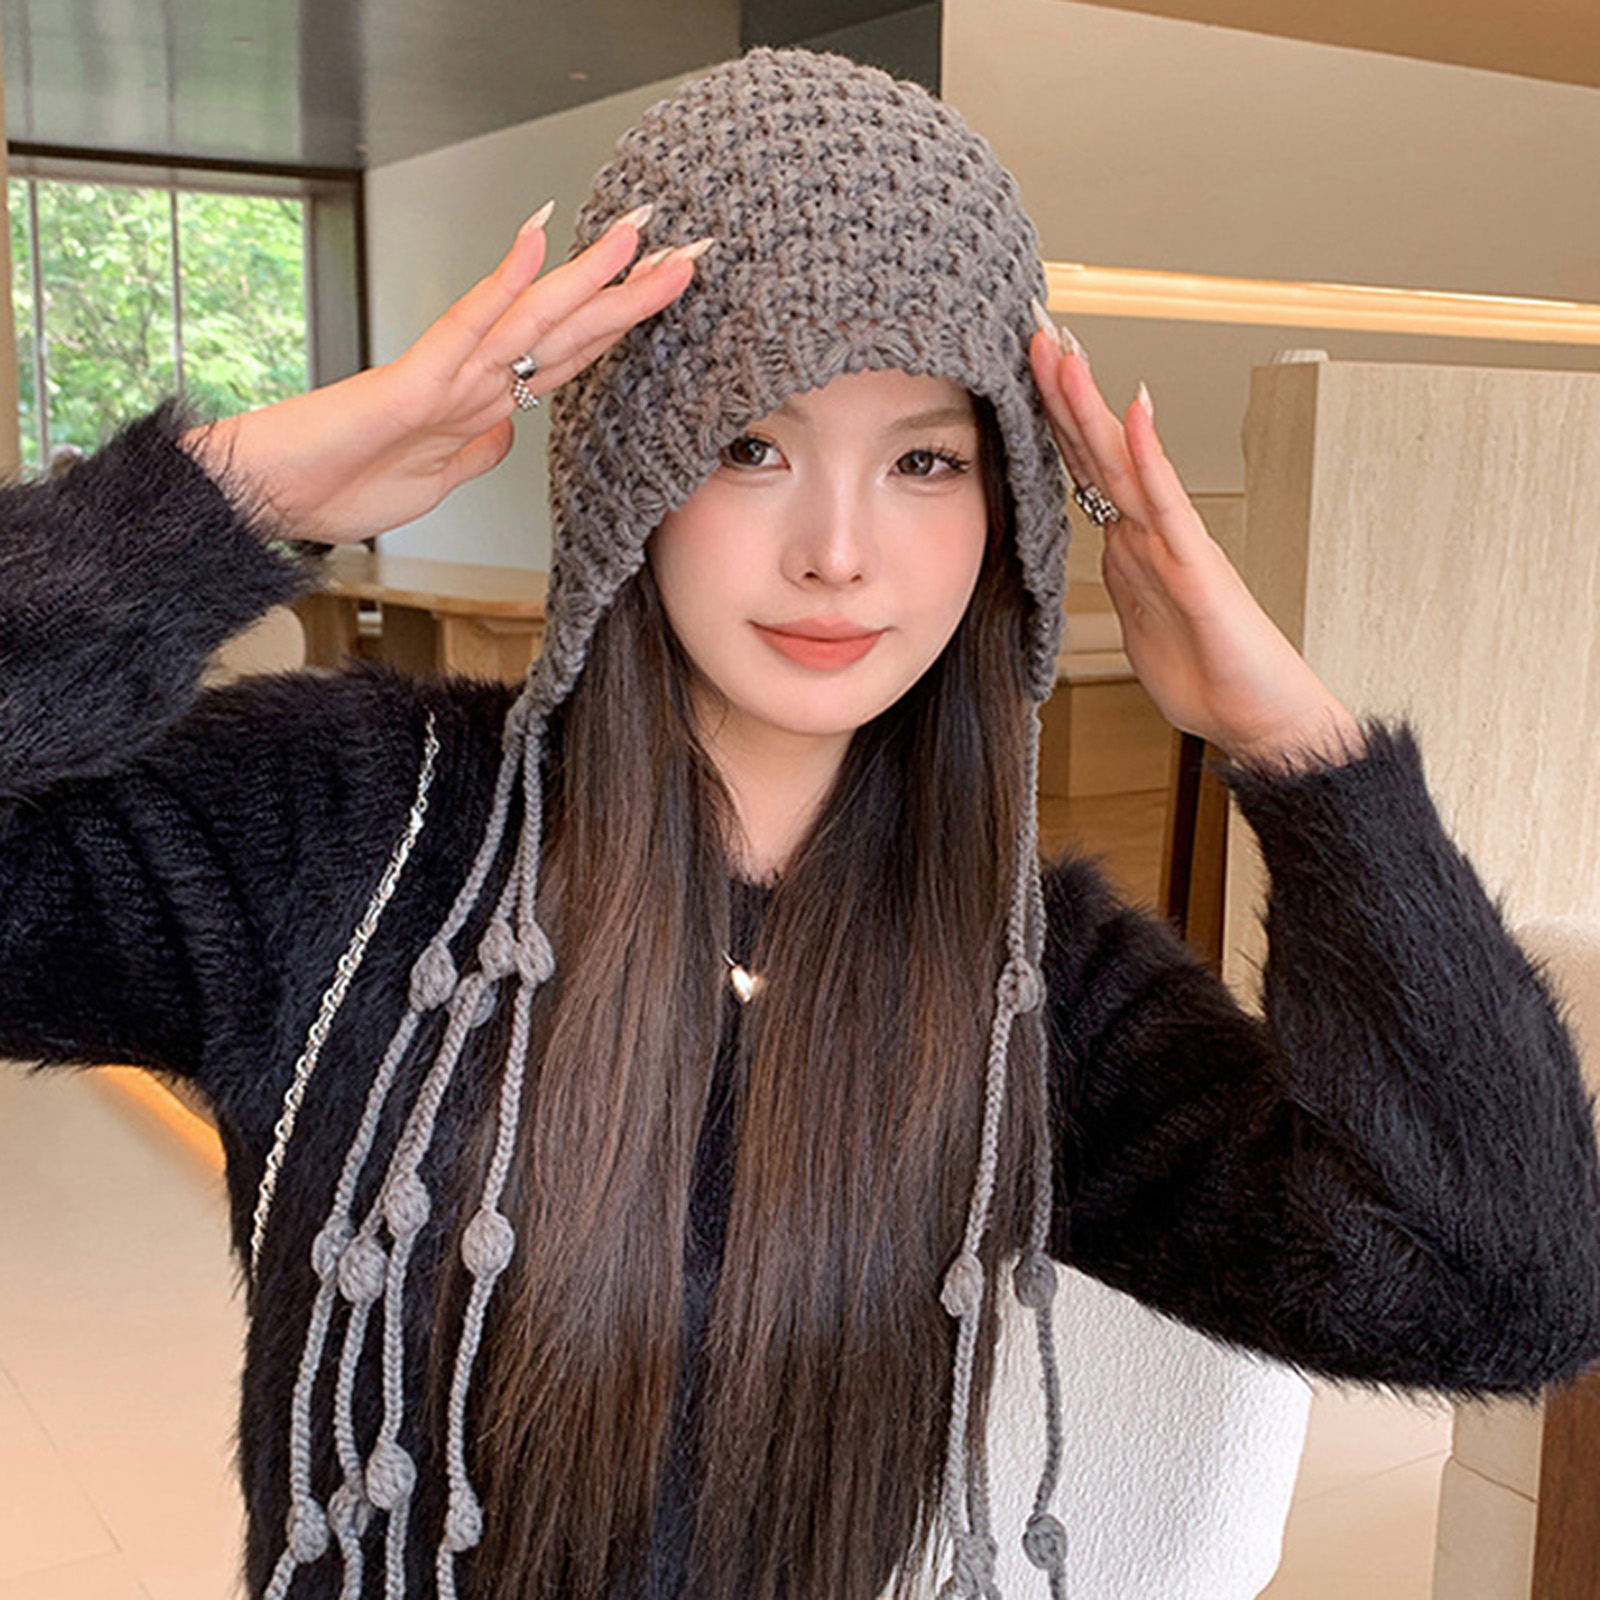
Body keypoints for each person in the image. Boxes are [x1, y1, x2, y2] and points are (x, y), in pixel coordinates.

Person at [2, 45, 1598, 1600]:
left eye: (925, 460)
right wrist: (232, 494)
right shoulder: (354, 829)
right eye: (749, 444)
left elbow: (1504, 1291)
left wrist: (1302, 752)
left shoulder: (1034, 987)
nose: (839, 551)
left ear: (1005, 511)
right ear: (630, 468)